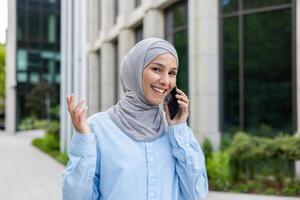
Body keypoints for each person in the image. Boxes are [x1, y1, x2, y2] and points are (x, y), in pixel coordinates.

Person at [62, 38, 208, 200]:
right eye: (156, 69)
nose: (165, 81)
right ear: (135, 71)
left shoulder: (175, 131)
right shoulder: (97, 128)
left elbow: (196, 194)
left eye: (172, 73)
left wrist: (180, 130)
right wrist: (83, 140)